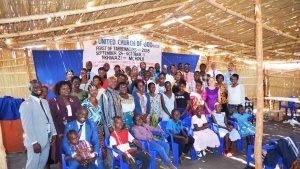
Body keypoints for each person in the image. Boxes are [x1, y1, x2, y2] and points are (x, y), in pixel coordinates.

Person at [19, 80, 57, 169]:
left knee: (42, 164)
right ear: (29, 88)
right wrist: (34, 142)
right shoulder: (26, 105)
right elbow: (27, 126)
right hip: (35, 142)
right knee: (32, 165)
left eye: (39, 87)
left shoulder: (44, 102)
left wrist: (54, 133)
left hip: (46, 139)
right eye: (35, 87)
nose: (38, 89)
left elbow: (49, 119)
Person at [49, 80, 81, 166]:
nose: (66, 90)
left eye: (68, 88)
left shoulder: (75, 99)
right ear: (59, 90)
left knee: (77, 152)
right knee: (62, 155)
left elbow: (80, 114)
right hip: (61, 132)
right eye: (63, 89)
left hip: (75, 132)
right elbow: (52, 119)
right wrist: (59, 133)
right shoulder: (53, 102)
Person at [82, 84, 107, 163]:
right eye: (92, 90)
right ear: (89, 91)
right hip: (89, 128)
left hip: (99, 128)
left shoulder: (99, 101)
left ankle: (102, 163)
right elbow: (82, 117)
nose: (94, 92)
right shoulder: (85, 103)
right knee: (91, 147)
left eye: (95, 90)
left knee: (102, 147)